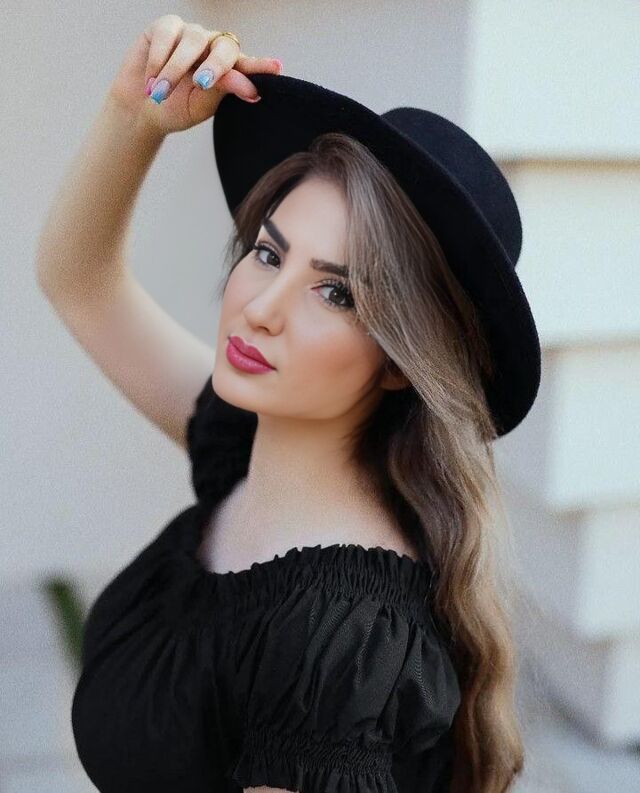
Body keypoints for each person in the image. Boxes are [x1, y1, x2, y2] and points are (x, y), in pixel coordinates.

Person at [36, 14, 541, 793]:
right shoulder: (245, 446)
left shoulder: (336, 643)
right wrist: (135, 116)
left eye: (336, 292)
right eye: (268, 252)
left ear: (400, 363)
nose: (262, 307)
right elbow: (79, 282)